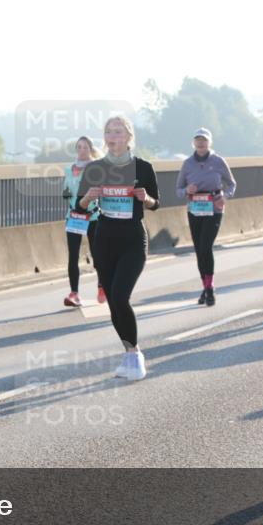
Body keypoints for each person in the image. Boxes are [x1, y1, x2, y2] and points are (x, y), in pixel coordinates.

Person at [78, 116, 160, 380]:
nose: (113, 136)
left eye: (118, 131)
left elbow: (156, 202)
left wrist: (145, 198)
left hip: (133, 238)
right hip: (104, 238)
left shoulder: (143, 167)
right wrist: (88, 197)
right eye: (108, 132)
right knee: (113, 301)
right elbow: (79, 205)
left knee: (121, 296)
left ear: (128, 137)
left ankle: (136, 356)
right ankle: (129, 351)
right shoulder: (95, 168)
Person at [176, 128, 237, 306]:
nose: (201, 143)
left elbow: (232, 184)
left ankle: (210, 289)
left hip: (214, 207)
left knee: (206, 246)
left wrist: (225, 197)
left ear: (209, 143)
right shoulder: (187, 164)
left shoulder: (218, 161)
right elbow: (178, 190)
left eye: (204, 140)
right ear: (193, 143)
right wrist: (187, 190)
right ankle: (205, 287)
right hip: (195, 208)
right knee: (198, 250)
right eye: (198, 140)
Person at [62, 136, 102, 307]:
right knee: (73, 256)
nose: (82, 150)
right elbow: (67, 190)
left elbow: (99, 191)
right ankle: (74, 293)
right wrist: (66, 193)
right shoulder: (69, 169)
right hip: (74, 217)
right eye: (79, 147)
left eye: (85, 147)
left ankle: (102, 286)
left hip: (91, 216)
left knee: (96, 253)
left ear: (90, 149)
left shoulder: (95, 168)